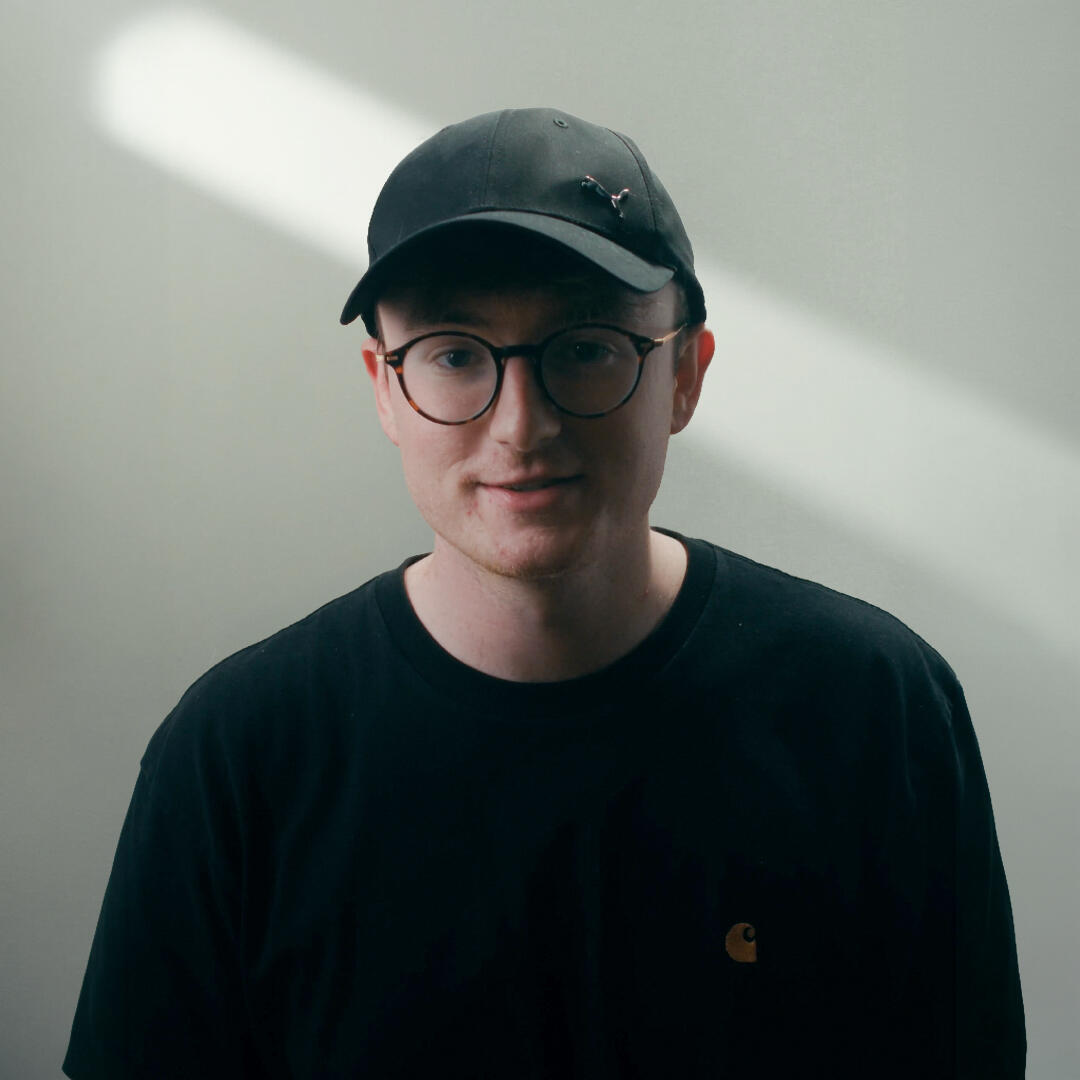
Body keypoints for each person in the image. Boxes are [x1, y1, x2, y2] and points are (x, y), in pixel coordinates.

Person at [63, 107, 1025, 1079]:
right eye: (454, 354)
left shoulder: (871, 706)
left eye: (586, 346)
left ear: (685, 374)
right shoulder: (238, 755)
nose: (521, 427)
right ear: (385, 390)